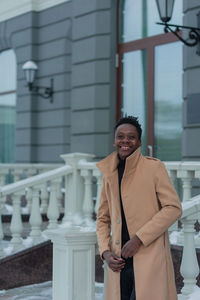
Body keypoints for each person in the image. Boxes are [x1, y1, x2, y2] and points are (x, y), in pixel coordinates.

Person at [96, 116, 182, 300]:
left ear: (139, 141)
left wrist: (139, 239)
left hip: (149, 255)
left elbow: (173, 207)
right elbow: (103, 218)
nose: (125, 141)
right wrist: (105, 251)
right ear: (114, 140)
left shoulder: (154, 168)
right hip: (118, 261)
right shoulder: (108, 173)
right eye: (120, 136)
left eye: (131, 136)